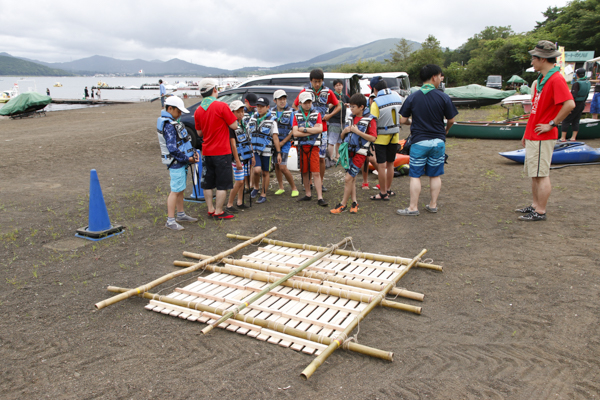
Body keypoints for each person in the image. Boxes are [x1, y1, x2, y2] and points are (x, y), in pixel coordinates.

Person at [515, 40, 575, 221]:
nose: (531, 62)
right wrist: (527, 132)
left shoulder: (556, 79)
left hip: (543, 134)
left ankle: (540, 211)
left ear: (542, 59)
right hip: (534, 133)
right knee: (535, 173)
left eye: (533, 58)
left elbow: (570, 104)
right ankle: (535, 205)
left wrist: (552, 123)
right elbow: (535, 109)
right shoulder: (541, 79)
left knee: (541, 174)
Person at [396, 64, 458, 216]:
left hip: (419, 141)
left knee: (415, 175)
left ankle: (413, 208)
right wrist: (446, 130)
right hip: (438, 141)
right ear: (434, 77)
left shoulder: (413, 97)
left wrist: (413, 122)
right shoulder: (443, 96)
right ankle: (432, 205)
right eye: (440, 76)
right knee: (435, 174)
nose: (440, 79)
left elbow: (402, 119)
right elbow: (451, 119)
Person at [194, 78, 239, 220]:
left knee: (207, 182)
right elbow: (234, 126)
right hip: (222, 151)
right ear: (215, 89)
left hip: (206, 151)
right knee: (222, 183)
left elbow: (199, 133)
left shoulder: (198, 110)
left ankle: (210, 209)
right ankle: (219, 211)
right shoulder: (221, 106)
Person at [293, 69, 340, 192]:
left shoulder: (328, 92)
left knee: (321, 157)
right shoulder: (305, 91)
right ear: (311, 81)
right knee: (307, 156)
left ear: (322, 81)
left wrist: (329, 115)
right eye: (315, 82)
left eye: (319, 81)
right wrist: (302, 117)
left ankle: (321, 181)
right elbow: (295, 105)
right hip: (306, 131)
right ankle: (308, 184)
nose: (317, 84)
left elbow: (338, 105)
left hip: (322, 129)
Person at [156, 96, 199, 230]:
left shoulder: (171, 122)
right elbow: (172, 148)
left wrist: (191, 154)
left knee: (180, 189)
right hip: (176, 162)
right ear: (170, 108)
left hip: (180, 161)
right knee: (175, 190)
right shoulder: (169, 125)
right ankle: (170, 220)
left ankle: (180, 214)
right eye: (178, 111)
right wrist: (188, 159)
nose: (180, 114)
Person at [330, 94, 377, 214]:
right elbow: (342, 137)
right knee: (352, 178)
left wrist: (358, 131)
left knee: (348, 178)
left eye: (353, 107)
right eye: (350, 107)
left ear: (362, 107)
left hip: (360, 153)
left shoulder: (370, 119)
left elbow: (373, 138)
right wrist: (344, 131)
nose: (351, 109)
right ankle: (354, 202)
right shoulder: (350, 117)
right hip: (348, 152)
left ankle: (342, 205)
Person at [368, 76, 403, 201]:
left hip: (381, 138)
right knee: (391, 164)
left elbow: (372, 122)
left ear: (374, 89)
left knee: (381, 166)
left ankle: (382, 193)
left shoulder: (376, 102)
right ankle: (388, 189)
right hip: (395, 136)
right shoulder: (397, 97)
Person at [293, 91, 328, 206]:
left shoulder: (317, 114)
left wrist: (303, 129)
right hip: (302, 147)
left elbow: (319, 129)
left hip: (313, 146)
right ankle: (308, 194)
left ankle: (319, 197)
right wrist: (310, 131)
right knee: (304, 171)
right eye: (305, 102)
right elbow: (294, 133)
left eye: (309, 102)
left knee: (315, 172)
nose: (308, 104)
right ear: (300, 103)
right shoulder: (296, 115)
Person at [248, 97, 281, 204]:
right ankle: (256, 187)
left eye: (262, 106)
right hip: (254, 150)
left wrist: (278, 152)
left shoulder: (272, 120)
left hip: (267, 151)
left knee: (265, 172)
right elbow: (248, 134)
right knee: (256, 170)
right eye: (258, 106)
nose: (260, 108)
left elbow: (275, 138)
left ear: (267, 107)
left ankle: (263, 193)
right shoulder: (252, 118)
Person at [226, 101, 255, 212]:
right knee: (239, 181)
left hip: (246, 155)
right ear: (232, 112)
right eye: (238, 112)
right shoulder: (231, 127)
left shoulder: (243, 124)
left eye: (242, 111)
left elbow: (249, 140)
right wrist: (237, 161)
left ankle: (240, 201)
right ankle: (229, 204)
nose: (241, 114)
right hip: (237, 158)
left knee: (243, 179)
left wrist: (252, 155)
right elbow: (233, 145)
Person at [271, 90, 299, 197]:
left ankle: (294, 187)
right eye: (280, 99)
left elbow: (293, 129)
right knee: (277, 166)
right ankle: (281, 187)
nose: (282, 101)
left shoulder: (290, 112)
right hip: (274, 143)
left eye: (284, 99)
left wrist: (284, 141)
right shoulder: (271, 112)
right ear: (275, 100)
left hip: (285, 142)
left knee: (282, 167)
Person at [560, 68, 590, 142]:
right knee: (576, 120)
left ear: (577, 75)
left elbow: (573, 95)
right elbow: (587, 94)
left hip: (575, 103)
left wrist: (570, 107)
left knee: (566, 120)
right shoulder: (588, 82)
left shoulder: (577, 83)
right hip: (582, 103)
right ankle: (573, 137)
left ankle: (563, 138)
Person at [327, 79, 350, 162]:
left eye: (340, 85)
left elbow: (350, 104)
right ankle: (331, 157)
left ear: (342, 86)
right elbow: (327, 107)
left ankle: (338, 155)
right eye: (337, 85)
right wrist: (335, 103)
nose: (339, 87)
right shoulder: (331, 96)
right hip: (333, 121)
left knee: (340, 140)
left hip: (342, 121)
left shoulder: (345, 96)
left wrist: (347, 105)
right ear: (334, 87)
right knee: (332, 140)